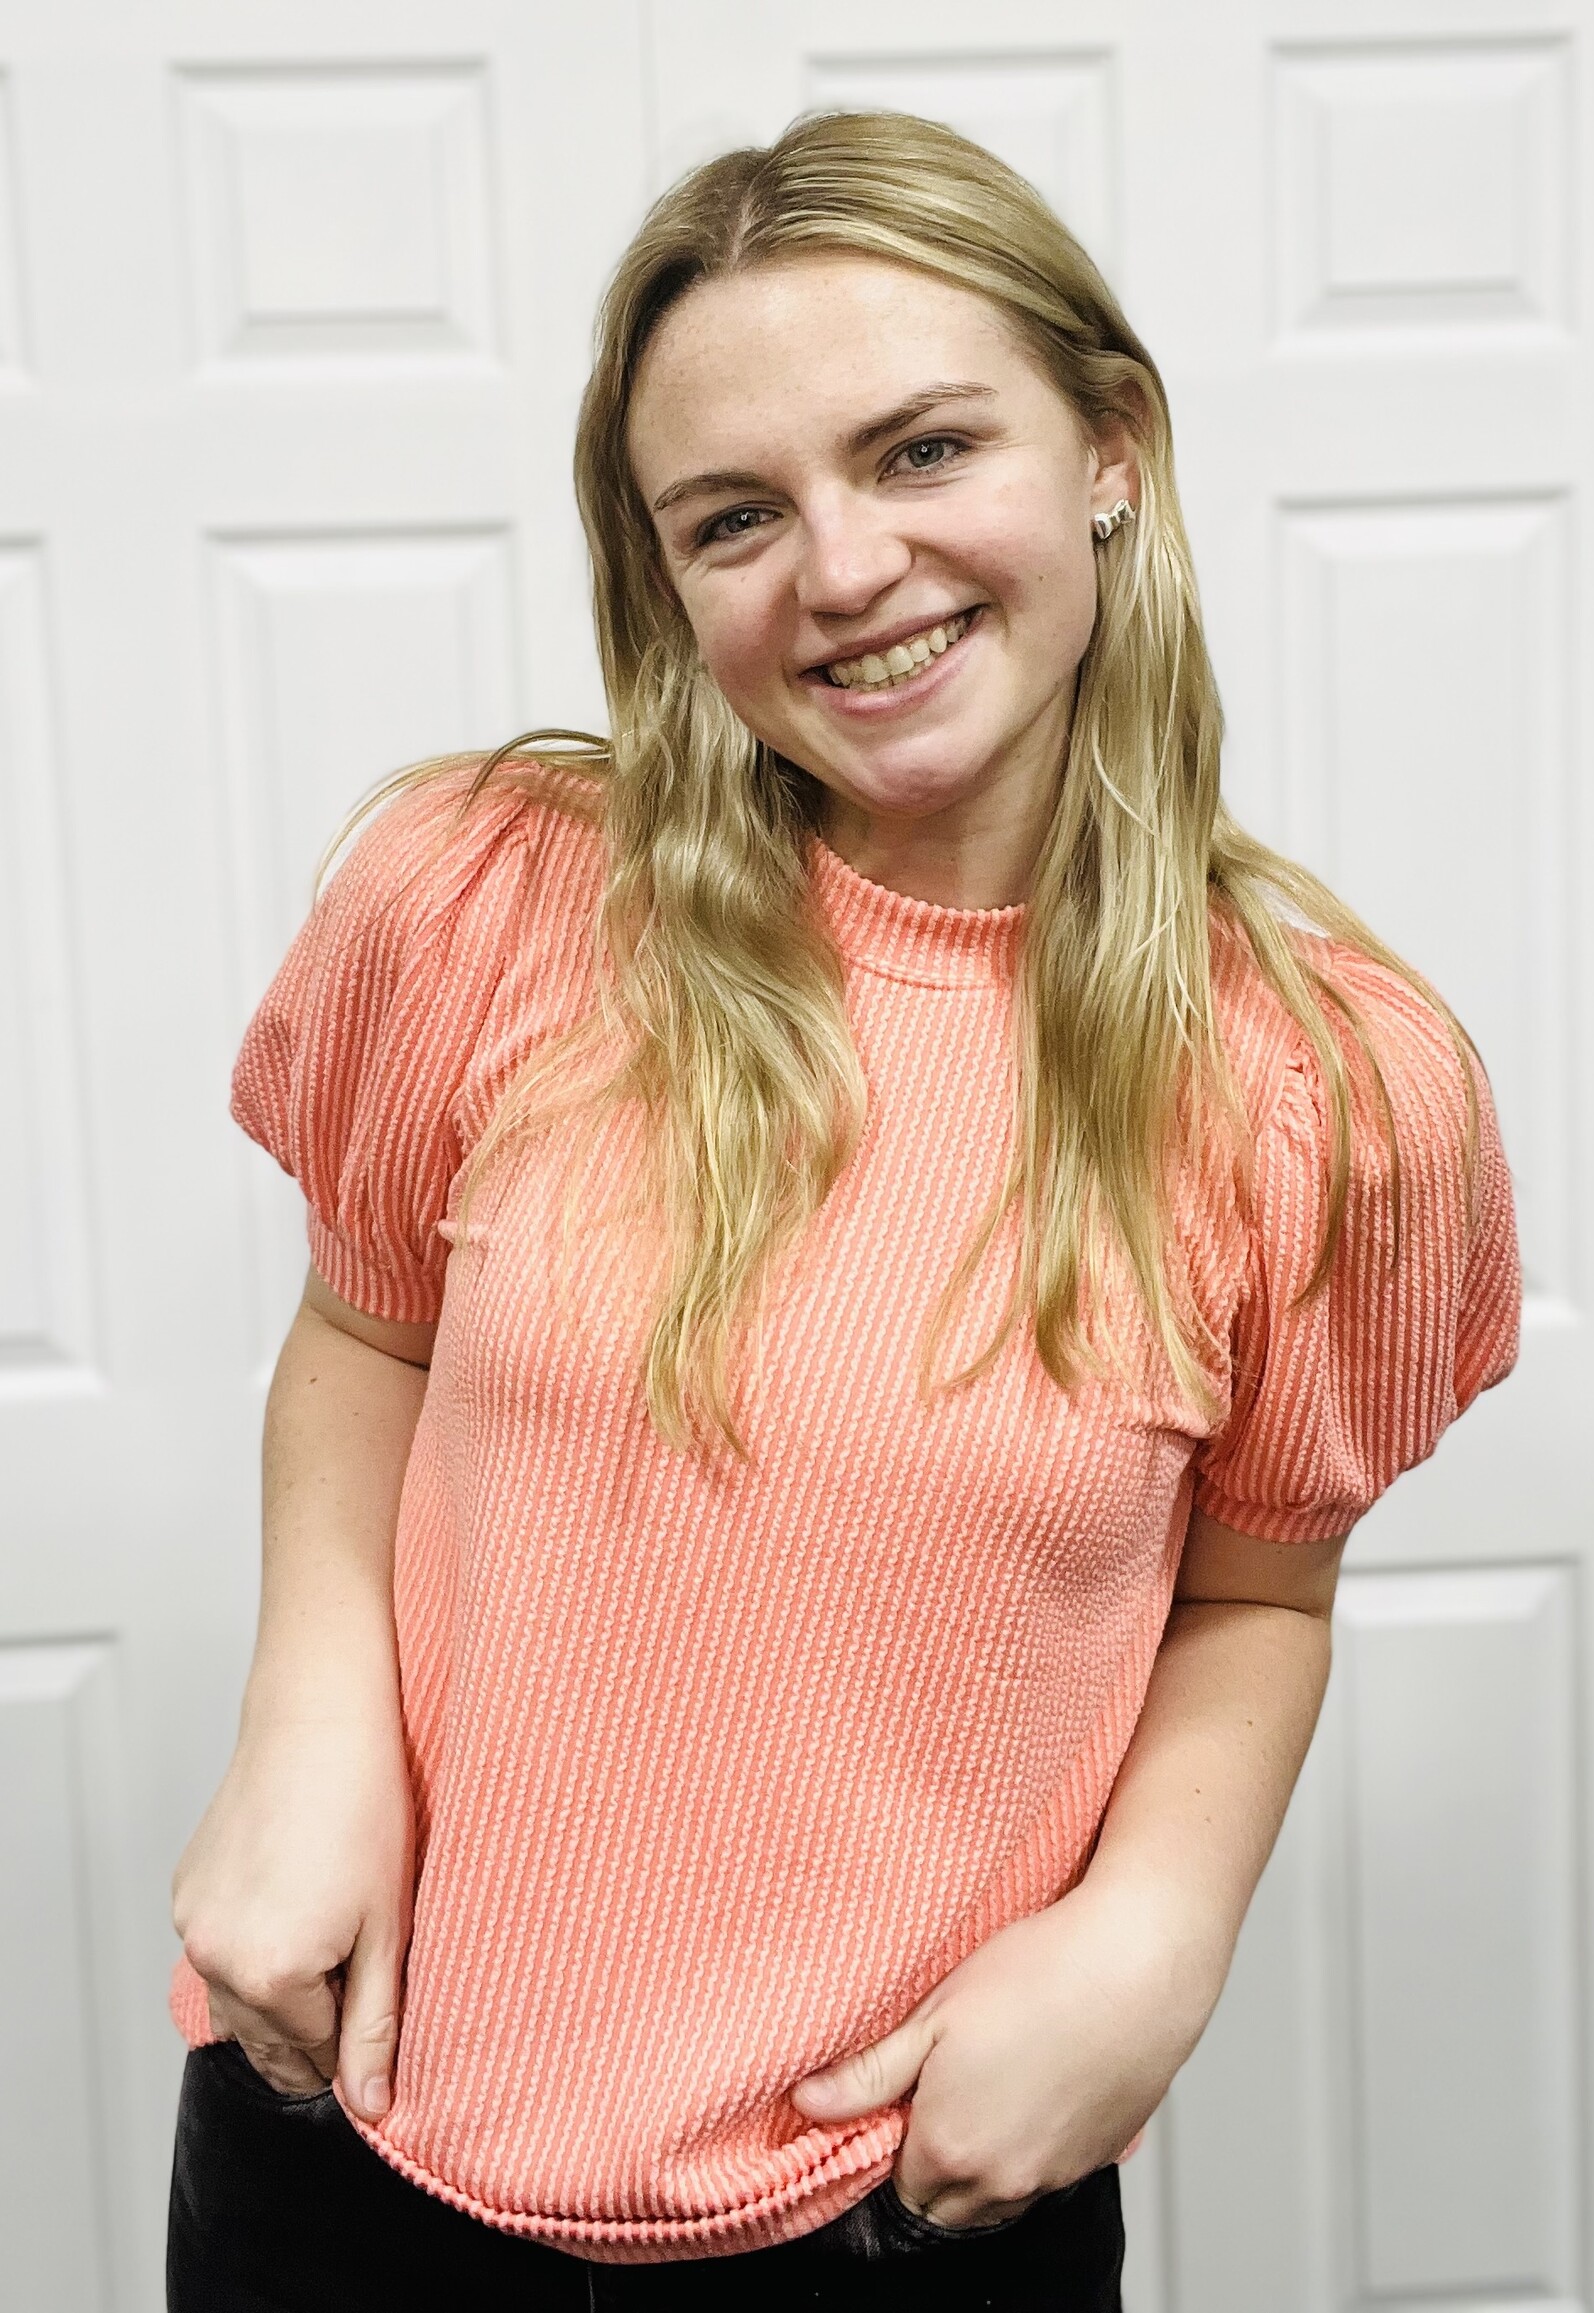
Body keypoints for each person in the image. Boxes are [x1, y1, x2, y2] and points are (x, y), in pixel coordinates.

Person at [165, 110, 1522, 2312]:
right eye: (735, 516)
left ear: (1110, 447)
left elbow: (1261, 1593)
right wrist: (303, 1735)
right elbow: (364, 1338)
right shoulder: (488, 896)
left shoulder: (1324, 1086)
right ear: (667, 582)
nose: (842, 567)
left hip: (895, 2198)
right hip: (343, 2113)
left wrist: (1149, 1941)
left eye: (917, 451)